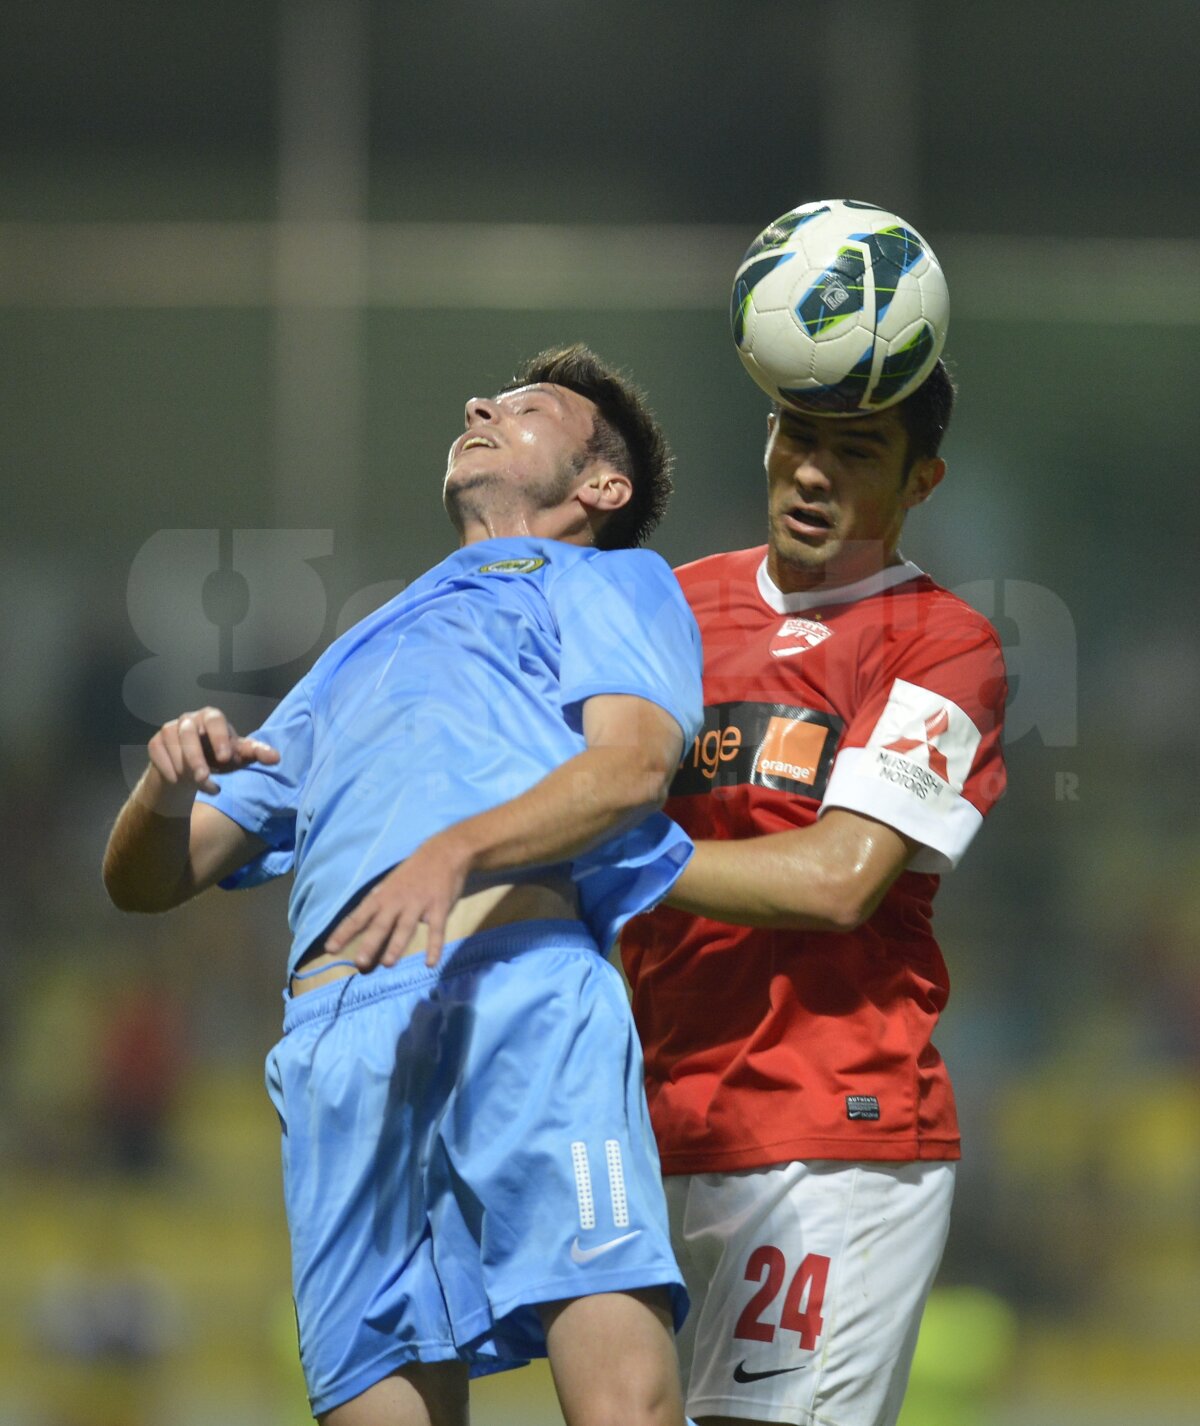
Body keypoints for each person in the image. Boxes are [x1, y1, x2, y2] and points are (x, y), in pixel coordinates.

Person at [103, 344, 705, 1426]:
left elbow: (632, 764)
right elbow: (152, 879)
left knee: (624, 1405)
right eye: (486, 396)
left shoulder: (608, 581)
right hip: (337, 1051)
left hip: (516, 996)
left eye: (524, 407)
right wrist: (158, 789)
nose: (479, 402)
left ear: (599, 487)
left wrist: (456, 848)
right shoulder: (355, 651)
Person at [621, 359, 1008, 1426]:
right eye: (797, 433)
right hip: (655, 1131)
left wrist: (613, 859)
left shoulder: (945, 644)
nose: (813, 471)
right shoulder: (670, 604)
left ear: (921, 481)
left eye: (857, 452)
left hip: (828, 1139)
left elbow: (842, 877)